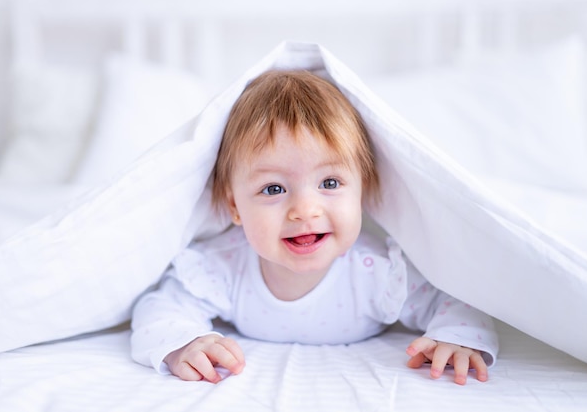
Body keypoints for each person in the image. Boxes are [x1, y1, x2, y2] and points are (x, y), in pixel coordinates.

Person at [130, 69, 498, 386]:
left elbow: (455, 297)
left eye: (330, 183)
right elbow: (162, 306)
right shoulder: (222, 266)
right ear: (234, 207)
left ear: (363, 191)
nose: (304, 210)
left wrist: (455, 338)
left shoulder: (378, 273)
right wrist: (184, 342)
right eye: (273, 189)